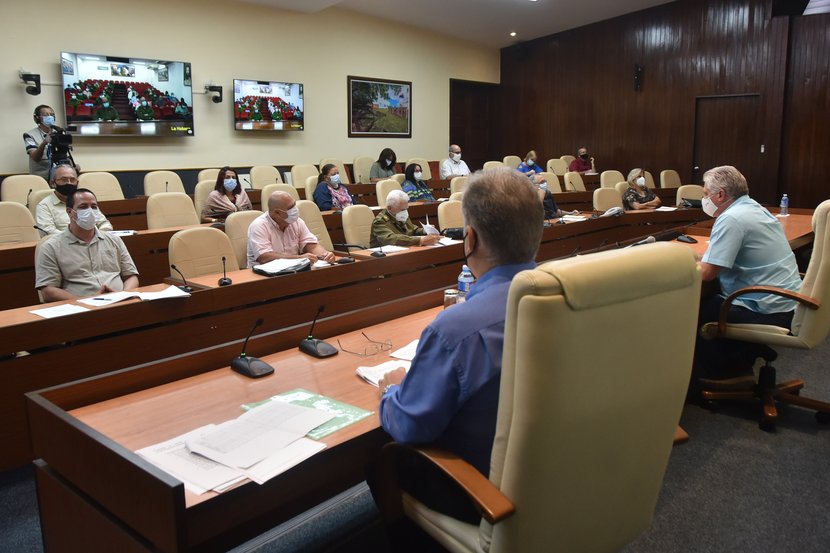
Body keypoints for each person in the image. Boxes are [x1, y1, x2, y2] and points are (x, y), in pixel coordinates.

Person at [375, 168, 542, 522]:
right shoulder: (568, 296)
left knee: (379, 457)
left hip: (484, 499)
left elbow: (409, 427)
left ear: (470, 239)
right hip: (555, 478)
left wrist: (390, 391)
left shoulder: (455, 331)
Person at [694, 165, 802, 387]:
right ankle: (738, 363)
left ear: (720, 194)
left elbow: (706, 273)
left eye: (706, 194)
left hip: (768, 310)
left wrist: (675, 263)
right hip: (792, 303)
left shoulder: (731, 218)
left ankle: (719, 375)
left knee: (697, 306)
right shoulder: (755, 208)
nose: (704, 199)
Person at [35, 188, 139, 303]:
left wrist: (123, 295)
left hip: (121, 303)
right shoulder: (50, 247)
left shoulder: (114, 240)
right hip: (79, 309)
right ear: (69, 212)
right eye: (83, 207)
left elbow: (131, 276)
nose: (90, 211)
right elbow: (48, 291)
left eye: (94, 207)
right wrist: (89, 301)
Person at [246, 191, 336, 267]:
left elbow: (310, 245)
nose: (295, 209)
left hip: (293, 270)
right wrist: (299, 258)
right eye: (290, 208)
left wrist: (324, 254)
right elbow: (264, 257)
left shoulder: (297, 222)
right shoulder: (259, 226)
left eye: (294, 205)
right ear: (277, 213)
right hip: (263, 276)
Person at [36, 165, 112, 235]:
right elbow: (48, 232)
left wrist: (98, 235)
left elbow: (104, 224)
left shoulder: (86, 201)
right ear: (53, 183)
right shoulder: (44, 206)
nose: (69, 183)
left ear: (77, 183)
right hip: (64, 246)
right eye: (64, 179)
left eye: (72, 180)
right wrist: (76, 238)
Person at [370, 190, 440, 248]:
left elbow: (412, 230)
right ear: (389, 208)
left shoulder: (401, 215)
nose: (405, 212)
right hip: (383, 258)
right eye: (402, 209)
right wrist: (420, 240)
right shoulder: (379, 222)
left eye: (406, 209)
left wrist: (426, 230)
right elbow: (391, 238)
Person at [23, 105, 58, 180]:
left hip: (57, 178)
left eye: (51, 115)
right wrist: (44, 143)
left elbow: (63, 154)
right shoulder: (29, 135)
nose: (50, 117)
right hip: (40, 179)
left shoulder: (58, 133)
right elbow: (35, 157)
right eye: (45, 115)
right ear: (37, 118)